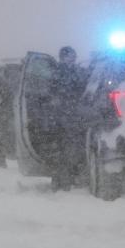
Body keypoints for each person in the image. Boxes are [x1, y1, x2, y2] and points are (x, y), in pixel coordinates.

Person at [48, 46, 87, 190]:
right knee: (63, 149)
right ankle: (61, 181)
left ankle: (64, 180)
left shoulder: (74, 72)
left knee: (67, 149)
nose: (73, 59)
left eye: (74, 56)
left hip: (68, 116)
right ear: (63, 57)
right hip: (64, 117)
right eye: (71, 56)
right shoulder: (60, 72)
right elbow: (54, 93)